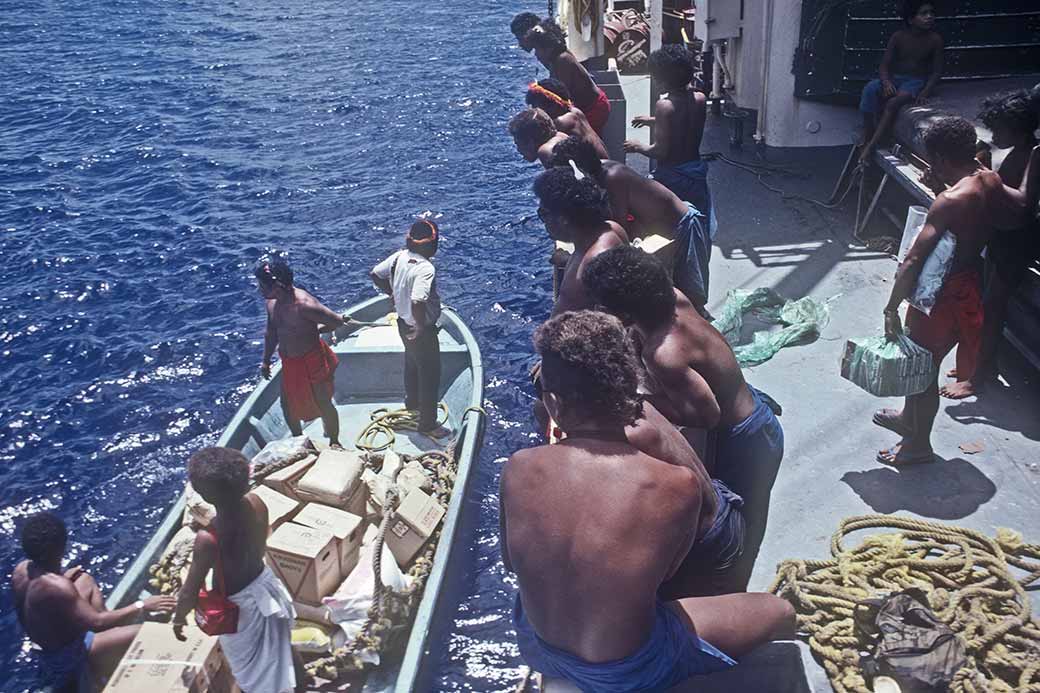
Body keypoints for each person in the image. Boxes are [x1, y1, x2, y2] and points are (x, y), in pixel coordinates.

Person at [501, 310, 794, 692]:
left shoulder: (518, 468)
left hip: (539, 646)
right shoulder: (677, 485)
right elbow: (668, 577)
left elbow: (512, 561)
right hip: (628, 667)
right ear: (631, 393)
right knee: (781, 612)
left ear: (554, 404)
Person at [583, 245, 785, 590]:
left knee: (743, 523)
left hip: (745, 439)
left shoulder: (665, 355)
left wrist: (640, 397)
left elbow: (705, 414)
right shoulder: (675, 300)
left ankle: (734, 597)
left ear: (625, 312)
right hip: (753, 412)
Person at [875, 116, 1039, 465]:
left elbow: (914, 260)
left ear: (942, 159)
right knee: (924, 365)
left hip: (938, 295)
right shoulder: (988, 179)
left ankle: (918, 445)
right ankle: (909, 421)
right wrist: (1035, 160)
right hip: (968, 282)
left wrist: (891, 307)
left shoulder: (950, 200)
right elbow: (1022, 205)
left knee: (921, 373)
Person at [173, 447, 303, 693]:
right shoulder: (258, 503)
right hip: (268, 587)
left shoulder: (208, 538)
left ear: (203, 494)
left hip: (242, 611)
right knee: (281, 645)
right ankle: (300, 686)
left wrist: (179, 619)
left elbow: (190, 591)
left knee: (250, 675)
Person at [941, 88, 1040, 398]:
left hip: (1019, 240)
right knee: (983, 300)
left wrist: (989, 179)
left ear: (1018, 127)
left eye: (1000, 129)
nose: (995, 134)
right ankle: (981, 362)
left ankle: (979, 376)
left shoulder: (1036, 153)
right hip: (1001, 233)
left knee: (993, 306)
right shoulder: (1012, 151)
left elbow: (1025, 203)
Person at [12, 512, 176, 691]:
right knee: (150, 633)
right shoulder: (59, 587)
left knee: (84, 580)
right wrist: (142, 605)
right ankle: (101, 663)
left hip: (46, 651)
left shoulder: (21, 571)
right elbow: (96, 622)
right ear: (60, 547)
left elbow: (43, 599)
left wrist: (64, 579)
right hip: (70, 656)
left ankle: (112, 639)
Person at [551, 135, 714, 314]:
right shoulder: (600, 171)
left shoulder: (613, 178)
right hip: (664, 229)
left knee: (691, 295)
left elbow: (618, 228)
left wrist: (573, 259)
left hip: (683, 226)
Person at [624, 45, 716, 237]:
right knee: (696, 222)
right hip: (695, 170)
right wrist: (652, 121)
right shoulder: (700, 99)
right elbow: (684, 120)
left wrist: (637, 146)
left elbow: (660, 152)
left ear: (664, 80)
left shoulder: (664, 106)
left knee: (668, 225)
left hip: (672, 175)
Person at [257, 257, 348, 448]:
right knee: (287, 406)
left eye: (264, 285)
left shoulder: (305, 305)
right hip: (290, 363)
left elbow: (336, 322)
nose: (260, 289)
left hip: (312, 360)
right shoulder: (271, 303)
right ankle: (300, 442)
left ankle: (334, 441)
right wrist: (265, 361)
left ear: (278, 285)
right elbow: (271, 332)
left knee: (323, 402)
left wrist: (316, 330)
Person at [371, 220, 450, 438]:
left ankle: (412, 403)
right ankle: (427, 424)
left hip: (402, 324)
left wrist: (393, 295)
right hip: (419, 329)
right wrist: (421, 327)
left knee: (412, 363)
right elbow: (418, 301)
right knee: (430, 375)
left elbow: (376, 274)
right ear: (432, 245)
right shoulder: (426, 268)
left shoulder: (399, 257)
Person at [532, 165, 628, 315]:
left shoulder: (576, 282)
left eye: (543, 213)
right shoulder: (612, 229)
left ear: (563, 219)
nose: (543, 221)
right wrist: (568, 260)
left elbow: (556, 331)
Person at [859, 0, 943, 163]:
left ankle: (871, 146)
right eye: (923, 13)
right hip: (895, 78)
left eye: (931, 13)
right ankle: (868, 134)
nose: (929, 17)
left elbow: (936, 71)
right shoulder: (898, 37)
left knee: (893, 103)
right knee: (869, 89)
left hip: (915, 82)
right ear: (911, 19)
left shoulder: (935, 40)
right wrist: (886, 82)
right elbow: (884, 66)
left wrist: (926, 90)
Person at [524, 19, 612, 135]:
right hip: (591, 105)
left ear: (549, 48)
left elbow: (561, 100)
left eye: (538, 49)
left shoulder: (562, 61)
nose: (536, 54)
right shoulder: (557, 57)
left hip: (594, 109)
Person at [525, 78, 610, 160]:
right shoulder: (575, 112)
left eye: (536, 108)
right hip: (605, 163)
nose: (534, 112)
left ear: (552, 106)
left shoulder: (561, 123)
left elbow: (531, 155)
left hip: (597, 171)